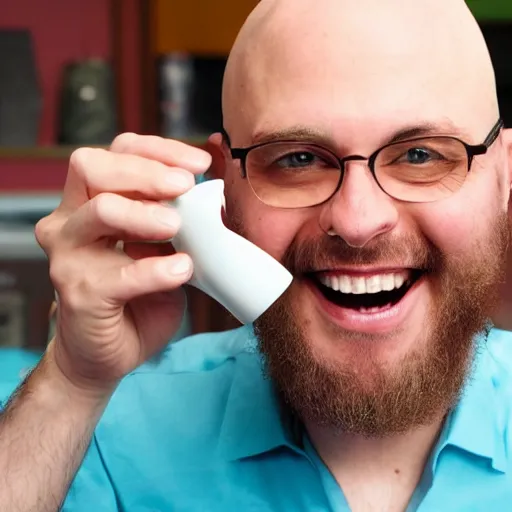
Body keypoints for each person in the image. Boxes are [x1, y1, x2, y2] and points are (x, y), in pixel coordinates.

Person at [1, 0, 512, 510]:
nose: (358, 222)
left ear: (504, 176)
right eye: (298, 159)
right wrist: (70, 383)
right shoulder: (107, 428)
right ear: (225, 188)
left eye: (420, 155)